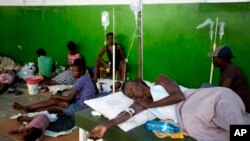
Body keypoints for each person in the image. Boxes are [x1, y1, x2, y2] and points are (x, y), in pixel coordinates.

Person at [88, 74, 250, 141]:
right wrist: (105, 126)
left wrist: (151, 104)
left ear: (138, 82)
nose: (133, 96)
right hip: (194, 122)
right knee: (230, 136)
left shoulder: (160, 80)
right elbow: (126, 114)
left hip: (203, 101)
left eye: (131, 89)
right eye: (130, 96)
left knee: (239, 128)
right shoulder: (141, 103)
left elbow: (178, 96)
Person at [13, 58, 96, 116]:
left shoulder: (80, 80)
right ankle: (28, 107)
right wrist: (68, 101)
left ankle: (30, 111)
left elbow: (70, 98)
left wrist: (56, 96)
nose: (73, 73)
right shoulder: (86, 77)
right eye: (72, 71)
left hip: (81, 108)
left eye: (75, 72)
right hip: (81, 102)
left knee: (53, 107)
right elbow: (78, 95)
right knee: (55, 100)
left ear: (81, 71)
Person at [208, 45, 250, 112]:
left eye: (214, 58)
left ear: (221, 59)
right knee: (206, 87)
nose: (212, 60)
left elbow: (224, 91)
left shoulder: (230, 70)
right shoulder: (225, 68)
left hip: (242, 105)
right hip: (233, 99)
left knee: (206, 91)